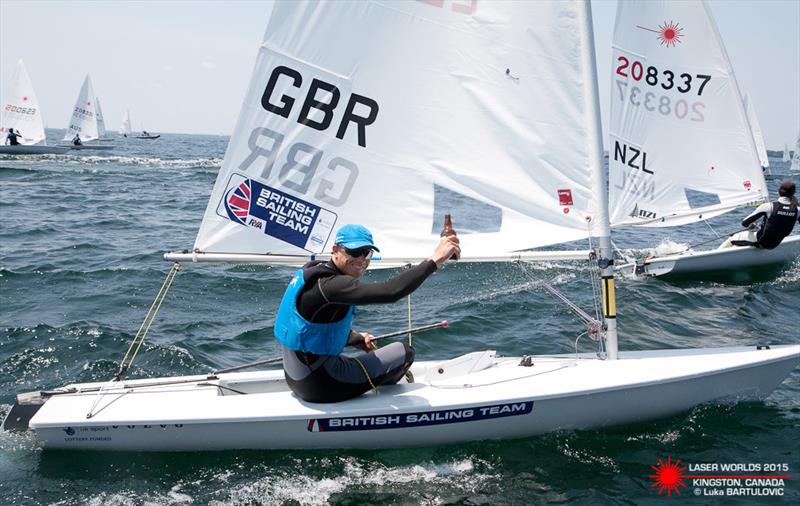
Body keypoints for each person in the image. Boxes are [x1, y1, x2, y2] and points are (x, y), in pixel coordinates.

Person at [274, 223, 460, 403]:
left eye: (367, 253)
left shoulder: (314, 274)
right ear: (335, 249)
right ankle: (380, 403)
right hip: (324, 385)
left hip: (297, 380)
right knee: (404, 352)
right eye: (354, 252)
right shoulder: (332, 286)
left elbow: (309, 326)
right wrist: (435, 259)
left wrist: (352, 338)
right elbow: (390, 292)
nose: (362, 259)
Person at [720, 180, 799, 249]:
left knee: (732, 238)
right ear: (793, 194)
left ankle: (715, 256)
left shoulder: (768, 206)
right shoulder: (797, 210)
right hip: (775, 244)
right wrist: (796, 204)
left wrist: (751, 225)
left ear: (778, 192)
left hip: (761, 242)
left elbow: (744, 223)